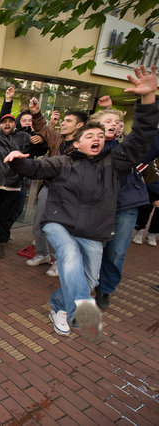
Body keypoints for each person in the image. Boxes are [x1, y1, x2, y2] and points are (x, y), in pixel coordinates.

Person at [5, 65, 158, 340]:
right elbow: (35, 169)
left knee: (89, 280)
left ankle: (58, 306)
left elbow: (141, 138)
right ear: (77, 143)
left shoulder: (115, 164)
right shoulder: (63, 162)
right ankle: (87, 316)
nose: (97, 139)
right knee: (70, 257)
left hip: (93, 231)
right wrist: (18, 160)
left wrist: (147, 100)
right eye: (89, 136)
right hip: (59, 225)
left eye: (101, 136)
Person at [0, 86, 48, 258]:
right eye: (4, 122)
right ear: (0, 125)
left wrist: (42, 138)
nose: (7, 124)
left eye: (10, 121)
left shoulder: (23, 138)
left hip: (12, 187)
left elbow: (41, 149)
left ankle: (1, 243)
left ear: (16, 124)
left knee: (4, 219)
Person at [91, 101, 149, 310]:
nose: (114, 125)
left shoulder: (124, 147)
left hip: (125, 206)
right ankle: (86, 283)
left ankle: (105, 289)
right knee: (92, 249)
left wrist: (147, 101)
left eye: (117, 122)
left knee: (116, 252)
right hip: (97, 207)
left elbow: (142, 137)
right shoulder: (88, 147)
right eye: (108, 121)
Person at [29, 102, 88, 276]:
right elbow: (42, 128)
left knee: (61, 229)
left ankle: (59, 261)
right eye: (63, 120)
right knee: (39, 222)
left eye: (68, 121)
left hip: (69, 193)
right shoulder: (57, 139)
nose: (63, 123)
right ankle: (42, 254)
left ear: (79, 126)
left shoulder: (84, 145)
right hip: (49, 187)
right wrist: (37, 112)